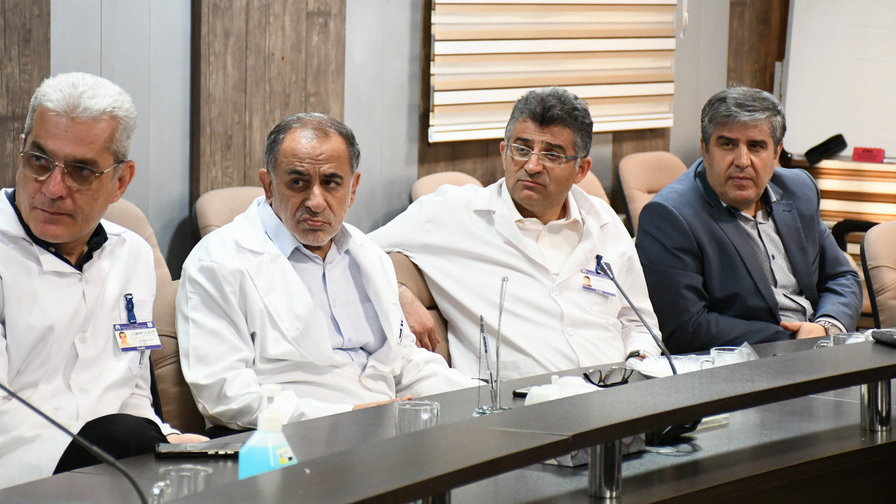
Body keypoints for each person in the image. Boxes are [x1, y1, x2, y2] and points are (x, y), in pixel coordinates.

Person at [0, 73, 204, 497]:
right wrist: (113, 443)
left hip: (104, 461)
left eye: (81, 171)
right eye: (40, 162)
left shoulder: (131, 254)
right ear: (21, 153)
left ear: (120, 181)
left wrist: (161, 438)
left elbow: (131, 390)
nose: (53, 188)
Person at [177, 113, 473, 433]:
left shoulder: (367, 255)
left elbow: (404, 363)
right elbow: (224, 394)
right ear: (268, 185)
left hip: (385, 428)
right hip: (294, 439)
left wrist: (481, 399)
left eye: (331, 183)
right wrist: (346, 417)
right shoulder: (218, 263)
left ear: (353, 188)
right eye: (298, 182)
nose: (316, 202)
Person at [370, 87, 662, 381]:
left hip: (616, 393)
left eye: (551, 155)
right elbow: (352, 250)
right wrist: (398, 293)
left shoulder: (603, 222)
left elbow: (637, 323)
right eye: (521, 150)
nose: (532, 166)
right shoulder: (452, 213)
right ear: (503, 152)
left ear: (581, 170)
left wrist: (639, 364)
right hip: (521, 402)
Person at [635, 86, 862, 355]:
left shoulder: (799, 189)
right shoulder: (670, 216)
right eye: (727, 144)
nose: (742, 161)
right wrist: (800, 339)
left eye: (756, 146)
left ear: (776, 152)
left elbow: (841, 276)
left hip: (821, 346)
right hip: (744, 364)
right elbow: (686, 328)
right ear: (705, 148)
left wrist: (827, 326)